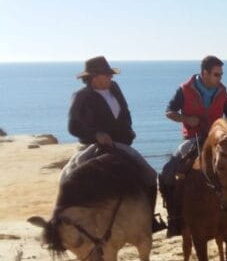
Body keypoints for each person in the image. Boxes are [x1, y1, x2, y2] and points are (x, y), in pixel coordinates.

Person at [159, 55, 227, 237]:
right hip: (193, 138)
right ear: (204, 73)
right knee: (168, 172)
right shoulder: (184, 90)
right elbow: (169, 112)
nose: (220, 78)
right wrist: (186, 119)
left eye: (221, 74)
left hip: (219, 139)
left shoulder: (222, 91)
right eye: (216, 74)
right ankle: (175, 218)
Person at [67, 56, 166, 232]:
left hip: (119, 144)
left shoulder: (115, 89)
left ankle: (149, 220)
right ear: (95, 77)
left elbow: (125, 113)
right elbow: (73, 127)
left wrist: (128, 132)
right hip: (90, 146)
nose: (111, 77)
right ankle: (70, 221)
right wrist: (96, 135)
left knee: (150, 175)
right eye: (107, 74)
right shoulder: (81, 96)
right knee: (71, 179)